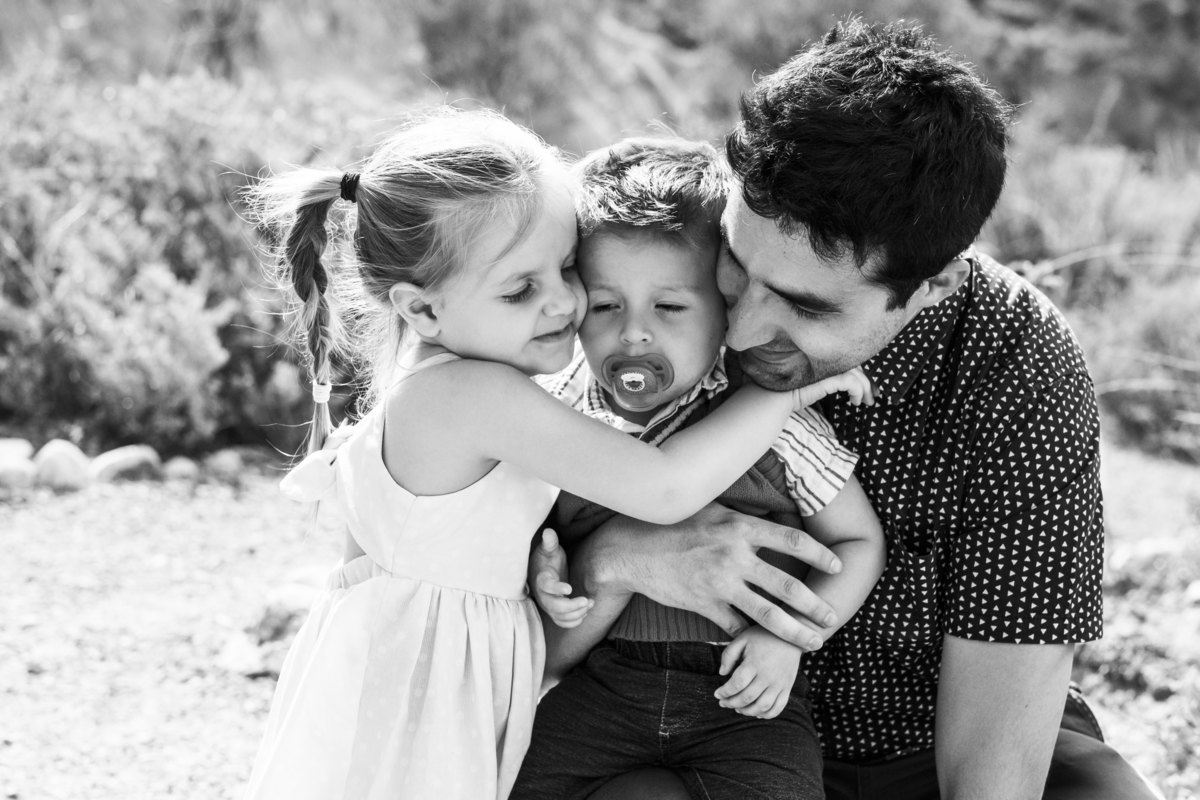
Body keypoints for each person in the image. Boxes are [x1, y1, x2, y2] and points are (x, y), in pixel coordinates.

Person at [553, 19, 1163, 800]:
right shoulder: (649, 290)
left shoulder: (1018, 363)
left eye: (805, 309)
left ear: (934, 284)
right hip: (692, 733)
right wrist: (618, 556)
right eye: (737, 268)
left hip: (932, 738)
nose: (740, 329)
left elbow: (993, 756)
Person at [239, 109, 871, 800]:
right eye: (521, 288)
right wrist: (781, 391)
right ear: (421, 311)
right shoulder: (468, 395)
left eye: (565, 267)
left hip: (441, 682)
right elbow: (661, 489)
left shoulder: (469, 385)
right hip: (421, 699)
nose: (566, 303)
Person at [510, 137, 885, 800]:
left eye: (671, 307)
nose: (633, 336)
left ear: (725, 311)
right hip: (605, 685)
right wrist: (551, 584)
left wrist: (791, 640)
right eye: (605, 306)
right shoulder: (557, 420)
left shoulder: (771, 419)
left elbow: (858, 542)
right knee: (513, 778)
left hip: (743, 693)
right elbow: (543, 579)